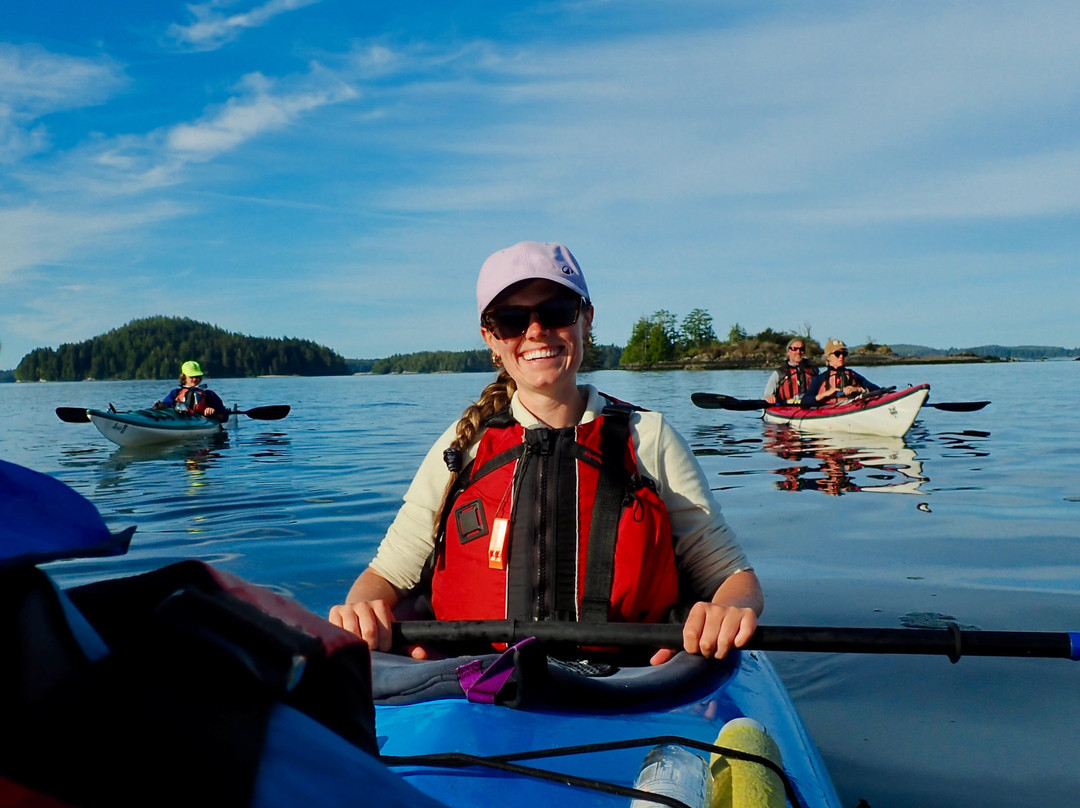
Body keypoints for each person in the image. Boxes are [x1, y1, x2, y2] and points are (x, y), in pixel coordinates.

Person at [329, 241, 763, 667]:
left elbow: (734, 580)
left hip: (629, 688)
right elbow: (384, 577)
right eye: (512, 319)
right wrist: (362, 610)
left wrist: (726, 610)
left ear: (585, 319)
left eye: (555, 311)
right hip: (479, 692)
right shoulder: (461, 448)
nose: (535, 331)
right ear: (491, 338)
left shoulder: (649, 438)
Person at [801, 339, 880, 407]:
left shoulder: (852, 374)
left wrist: (858, 389)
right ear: (828, 357)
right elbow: (804, 401)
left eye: (844, 354)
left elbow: (877, 389)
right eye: (837, 354)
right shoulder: (820, 378)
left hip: (851, 407)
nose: (841, 356)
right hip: (829, 410)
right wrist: (825, 394)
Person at [153, 360, 228, 422]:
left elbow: (224, 416)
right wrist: (159, 406)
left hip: (200, 421)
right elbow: (167, 407)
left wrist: (212, 413)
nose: (195, 379)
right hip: (179, 421)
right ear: (184, 377)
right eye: (191, 377)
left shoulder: (209, 394)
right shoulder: (175, 393)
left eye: (197, 376)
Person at [762, 338, 816, 404]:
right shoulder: (779, 373)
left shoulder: (813, 371)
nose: (798, 352)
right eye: (794, 349)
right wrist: (770, 398)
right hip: (785, 408)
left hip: (809, 407)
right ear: (788, 352)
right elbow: (767, 395)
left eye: (801, 349)